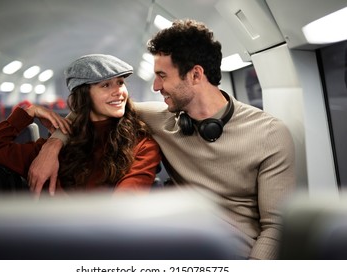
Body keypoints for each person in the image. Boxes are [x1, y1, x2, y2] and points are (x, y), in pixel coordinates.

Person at [27, 20, 296, 259]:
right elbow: (90, 110)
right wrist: (53, 145)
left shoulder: (269, 134)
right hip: (172, 246)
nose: (155, 86)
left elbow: (277, 227)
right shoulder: (161, 117)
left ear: (195, 75)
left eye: (162, 76)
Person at [0, 54, 161, 196]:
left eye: (120, 83)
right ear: (84, 95)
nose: (118, 92)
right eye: (105, 85)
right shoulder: (53, 148)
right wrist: (29, 112)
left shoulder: (141, 145)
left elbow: (124, 205)